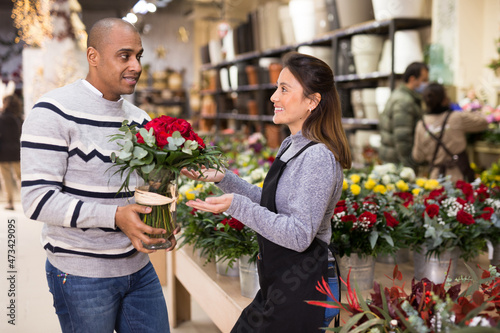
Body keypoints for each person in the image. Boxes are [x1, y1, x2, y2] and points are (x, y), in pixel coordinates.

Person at [21, 18, 176, 332]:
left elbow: (143, 189)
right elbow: (37, 200)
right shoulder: (53, 111)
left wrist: (162, 220)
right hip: (81, 274)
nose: (136, 66)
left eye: (139, 56)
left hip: (139, 267)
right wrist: (115, 216)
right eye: (124, 56)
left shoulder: (140, 119)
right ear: (93, 56)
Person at [182, 52, 351, 332]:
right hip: (283, 281)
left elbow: (298, 235)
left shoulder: (318, 157)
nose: (273, 97)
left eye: (284, 89)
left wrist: (236, 205)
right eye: (276, 87)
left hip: (306, 288)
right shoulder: (291, 145)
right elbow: (272, 205)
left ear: (313, 101)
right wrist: (224, 179)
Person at [412, 82, 488, 183]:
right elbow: (483, 122)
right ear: (444, 99)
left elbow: (417, 156)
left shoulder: (421, 125)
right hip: (459, 178)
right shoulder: (456, 117)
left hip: (435, 181)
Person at [378, 62, 429, 169]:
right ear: (412, 79)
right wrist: (409, 165)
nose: (426, 84)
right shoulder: (404, 101)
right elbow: (402, 138)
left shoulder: (403, 95)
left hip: (394, 159)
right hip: (397, 163)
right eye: (424, 80)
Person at [0, 93, 23, 210]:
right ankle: (26, 201)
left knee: (6, 178)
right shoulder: (18, 118)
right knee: (20, 177)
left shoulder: (1, 117)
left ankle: (10, 202)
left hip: (3, 152)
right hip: (16, 151)